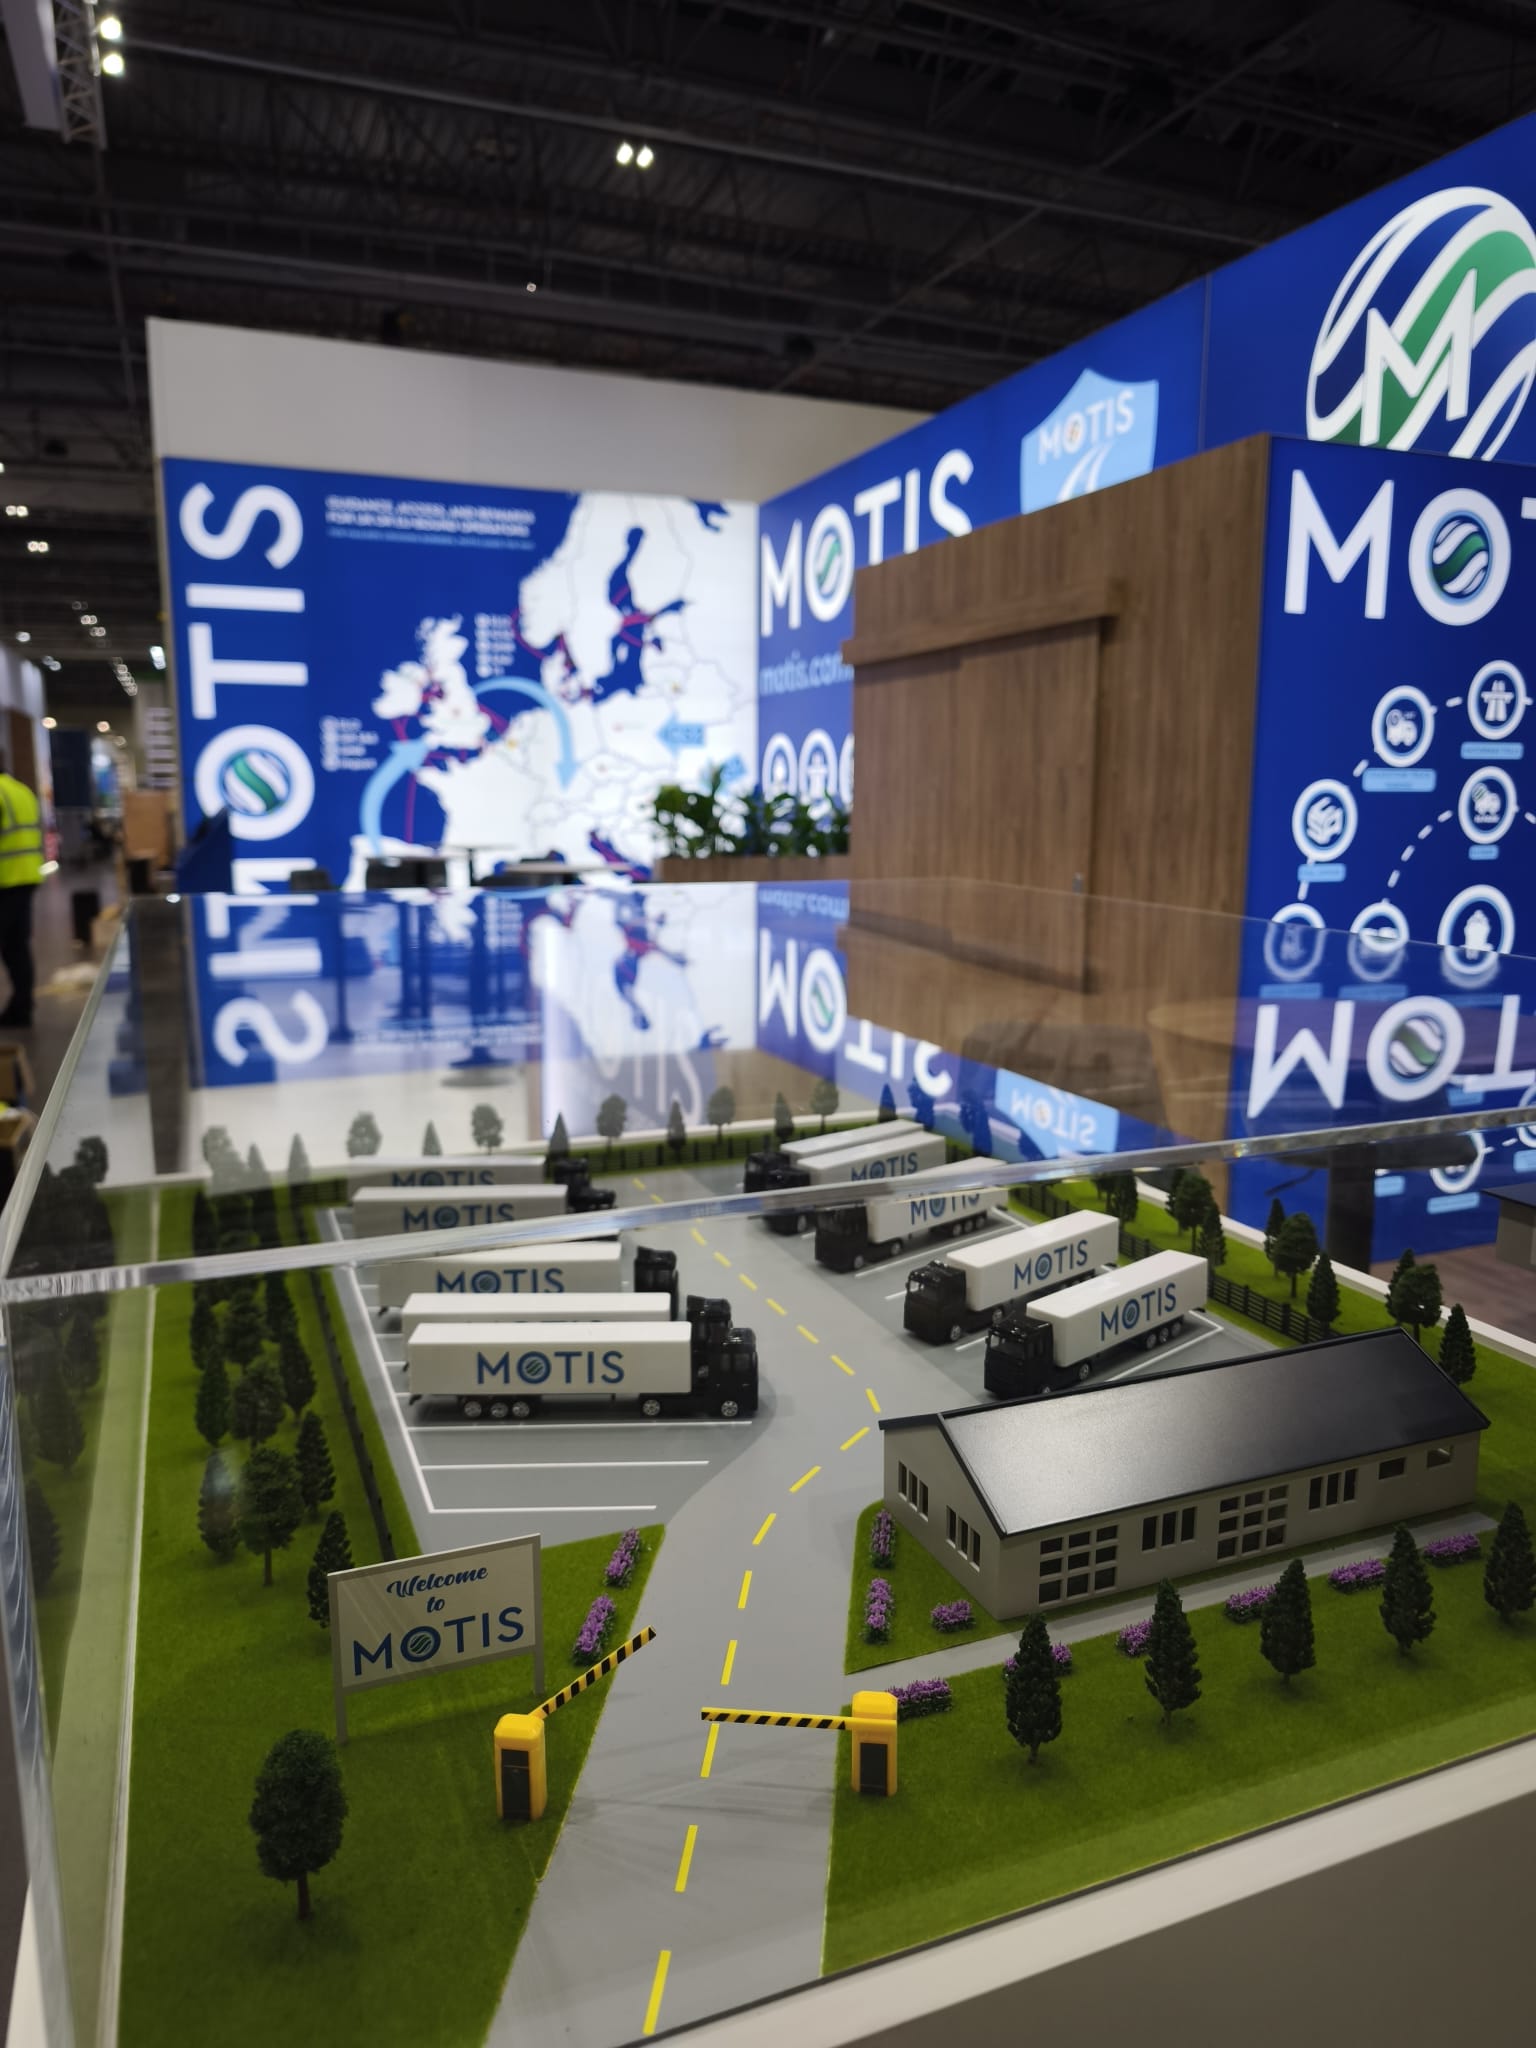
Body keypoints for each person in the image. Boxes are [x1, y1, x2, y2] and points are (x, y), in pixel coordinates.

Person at [0, 752, 44, 1027]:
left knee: (13, 947)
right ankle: (22, 1006)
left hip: (5, 880)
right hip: (28, 876)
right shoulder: (21, 790)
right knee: (17, 946)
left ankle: (20, 1006)